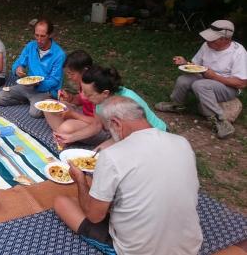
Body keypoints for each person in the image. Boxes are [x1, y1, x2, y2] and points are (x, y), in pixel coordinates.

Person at [54, 96, 203, 255]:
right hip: (190, 246)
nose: (110, 134)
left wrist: (80, 181)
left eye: (108, 129)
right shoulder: (182, 143)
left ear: (116, 123)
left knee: (61, 202)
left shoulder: (112, 156)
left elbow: (94, 216)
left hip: (137, 250)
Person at [155, 20, 247, 139]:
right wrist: (185, 63)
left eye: (212, 39)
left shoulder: (238, 52)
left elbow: (241, 83)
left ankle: (220, 121)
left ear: (226, 39)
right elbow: (196, 65)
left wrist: (214, 77)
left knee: (200, 85)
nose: (208, 41)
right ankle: (177, 105)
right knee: (184, 80)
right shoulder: (206, 45)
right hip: (205, 78)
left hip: (228, 88)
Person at [55, 65, 166, 150]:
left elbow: (141, 135)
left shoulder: (128, 102)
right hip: (123, 136)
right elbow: (97, 125)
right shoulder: (99, 100)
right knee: (93, 156)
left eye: (88, 94)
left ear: (105, 93)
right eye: (83, 91)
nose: (83, 96)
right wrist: (71, 137)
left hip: (155, 139)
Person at [0, 19, 66, 118]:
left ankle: (39, 101)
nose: (39, 40)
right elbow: (18, 63)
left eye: (42, 36)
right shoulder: (31, 46)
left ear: (50, 35)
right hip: (29, 86)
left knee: (35, 113)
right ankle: (29, 100)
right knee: (1, 97)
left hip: (46, 90)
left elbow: (55, 80)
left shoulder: (59, 54)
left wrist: (38, 85)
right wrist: (18, 69)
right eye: (36, 35)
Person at [44, 50, 108, 148]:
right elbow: (81, 100)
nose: (69, 77)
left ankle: (65, 133)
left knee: (65, 128)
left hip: (98, 127)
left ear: (85, 70)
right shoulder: (83, 82)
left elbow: (98, 124)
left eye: (72, 74)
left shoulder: (96, 89)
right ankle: (66, 133)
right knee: (47, 105)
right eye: (68, 74)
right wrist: (70, 98)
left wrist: (73, 115)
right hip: (83, 115)